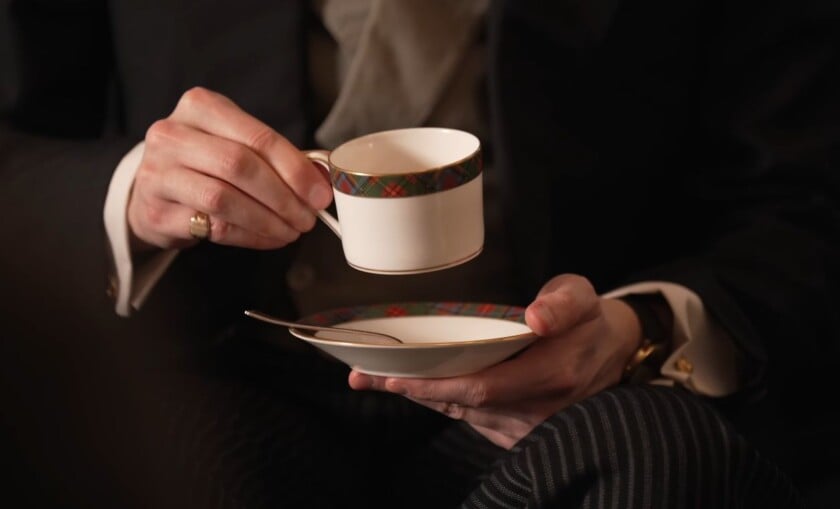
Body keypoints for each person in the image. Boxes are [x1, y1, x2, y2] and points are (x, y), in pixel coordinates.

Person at [1, 1, 838, 508]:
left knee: (666, 460)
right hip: (228, 364)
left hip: (567, 393)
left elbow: (800, 197)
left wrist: (644, 327)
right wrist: (129, 195)